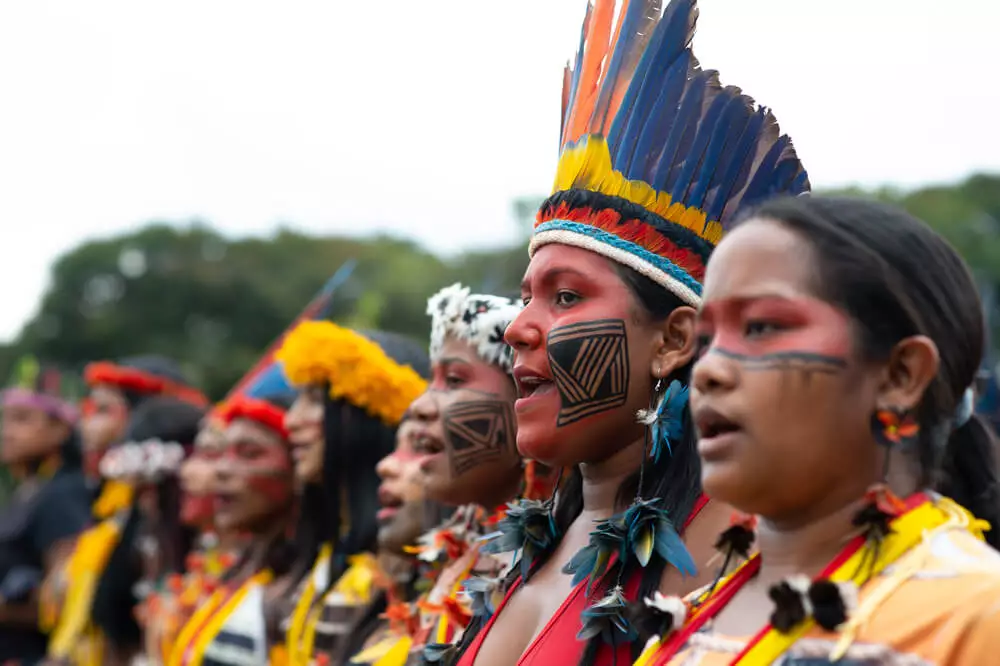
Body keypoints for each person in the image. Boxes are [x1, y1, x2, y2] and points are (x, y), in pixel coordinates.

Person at [457, 0, 809, 663]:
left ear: (676, 339)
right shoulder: (535, 538)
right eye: (526, 295)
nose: (519, 328)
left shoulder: (739, 558)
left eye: (565, 297)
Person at [638, 196, 1000, 664]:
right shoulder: (685, 619)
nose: (707, 370)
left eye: (762, 326)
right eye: (708, 341)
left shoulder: (974, 616)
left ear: (899, 376)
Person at [351, 283, 546, 665]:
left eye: (454, 381)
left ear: (526, 400)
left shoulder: (553, 567)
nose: (420, 406)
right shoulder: (461, 558)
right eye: (432, 383)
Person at [275, 321, 430, 665]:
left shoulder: (403, 564)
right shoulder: (329, 548)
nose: (291, 420)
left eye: (315, 399)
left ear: (369, 415)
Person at [42, 355, 207, 666]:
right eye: (88, 408)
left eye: (103, 410)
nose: (86, 420)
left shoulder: (179, 518)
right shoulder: (110, 507)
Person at [167, 376, 298, 666]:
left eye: (249, 453)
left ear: (299, 467)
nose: (223, 470)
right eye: (221, 454)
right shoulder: (242, 573)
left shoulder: (299, 594)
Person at [89, 395, 206, 666]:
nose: (147, 501)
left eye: (157, 487)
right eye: (139, 490)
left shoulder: (215, 552)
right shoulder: (140, 533)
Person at [0, 358, 90, 665]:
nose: (7, 431)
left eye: (22, 419)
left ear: (60, 430)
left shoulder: (62, 495)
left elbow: (66, 602)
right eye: (5, 419)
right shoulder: (29, 491)